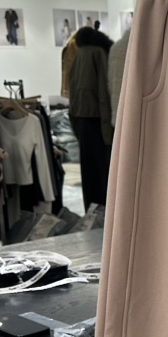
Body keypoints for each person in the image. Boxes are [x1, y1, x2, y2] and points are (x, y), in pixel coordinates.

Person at [67, 25, 114, 210]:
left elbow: (71, 93)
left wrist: (74, 123)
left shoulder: (79, 54)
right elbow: (103, 94)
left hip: (83, 122)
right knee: (104, 174)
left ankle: (92, 213)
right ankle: (106, 214)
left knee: (89, 174)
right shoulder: (99, 53)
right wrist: (108, 130)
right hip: (98, 123)